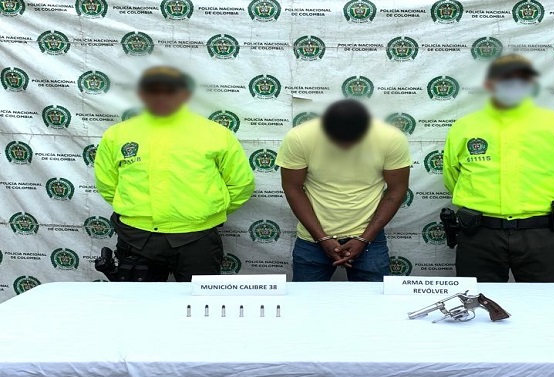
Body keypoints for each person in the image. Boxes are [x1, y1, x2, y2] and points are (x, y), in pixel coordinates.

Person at [94, 66, 255, 282]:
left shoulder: (216, 134)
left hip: (198, 238)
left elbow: (241, 183)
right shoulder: (117, 135)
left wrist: (206, 212)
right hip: (137, 237)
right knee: (138, 302)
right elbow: (107, 184)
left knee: (200, 301)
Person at [442, 54, 554, 283]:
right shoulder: (464, 127)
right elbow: (452, 177)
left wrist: (549, 208)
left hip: (542, 234)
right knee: (478, 302)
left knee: (548, 302)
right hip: (480, 236)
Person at [276, 100, 411, 282]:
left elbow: (397, 189)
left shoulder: (390, 138)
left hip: (369, 240)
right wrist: (321, 238)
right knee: (306, 299)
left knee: (373, 299)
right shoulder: (300, 137)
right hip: (312, 240)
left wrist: (364, 239)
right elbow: (292, 187)